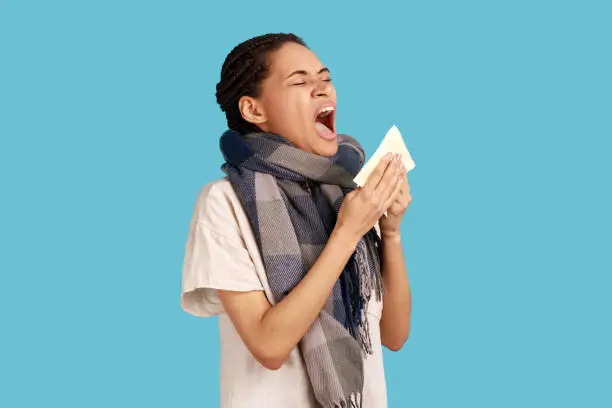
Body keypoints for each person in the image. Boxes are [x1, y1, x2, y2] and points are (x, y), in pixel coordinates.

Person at [180, 33, 412, 408]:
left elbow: (393, 335)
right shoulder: (223, 203)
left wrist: (391, 230)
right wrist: (347, 232)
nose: (322, 90)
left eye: (325, 78)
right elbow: (269, 345)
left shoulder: (347, 194)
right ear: (254, 110)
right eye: (301, 82)